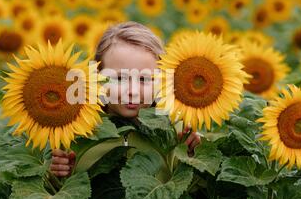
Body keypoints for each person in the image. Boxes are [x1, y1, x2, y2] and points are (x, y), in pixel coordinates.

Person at [50, 21, 201, 177]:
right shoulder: (78, 129)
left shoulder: (172, 129)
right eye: (120, 78)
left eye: (143, 79)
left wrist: (191, 154)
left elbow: (191, 187)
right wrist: (60, 173)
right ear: (97, 75)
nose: (132, 91)